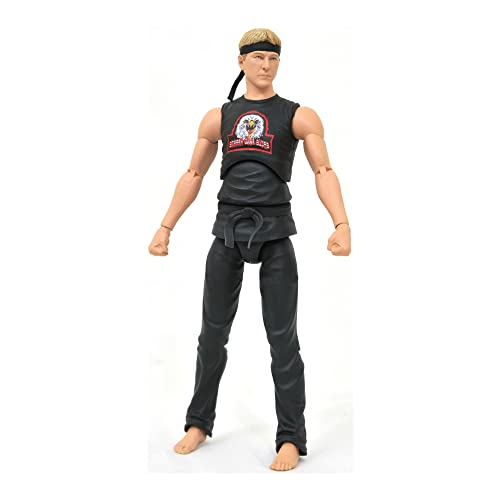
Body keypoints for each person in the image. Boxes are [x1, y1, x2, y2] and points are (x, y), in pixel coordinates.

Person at [148, 28, 351, 472]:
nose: (265, 65)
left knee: (283, 340)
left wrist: (341, 223)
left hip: (275, 234)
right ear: (240, 62)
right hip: (227, 232)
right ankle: (199, 422)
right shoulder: (218, 117)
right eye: (257, 57)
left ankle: (291, 437)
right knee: (211, 335)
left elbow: (324, 169)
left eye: (272, 58)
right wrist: (165, 227)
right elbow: (193, 175)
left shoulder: (298, 115)